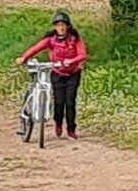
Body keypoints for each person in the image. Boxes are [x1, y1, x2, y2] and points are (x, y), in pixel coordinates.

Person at [16, 11, 88, 139]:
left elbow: (82, 54)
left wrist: (71, 61)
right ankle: (58, 123)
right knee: (59, 102)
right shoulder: (51, 40)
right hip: (57, 74)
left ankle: (71, 129)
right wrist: (24, 57)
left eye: (63, 25)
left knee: (70, 102)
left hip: (73, 73)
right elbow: (36, 48)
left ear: (68, 26)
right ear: (55, 27)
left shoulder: (75, 39)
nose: (61, 28)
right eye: (58, 25)